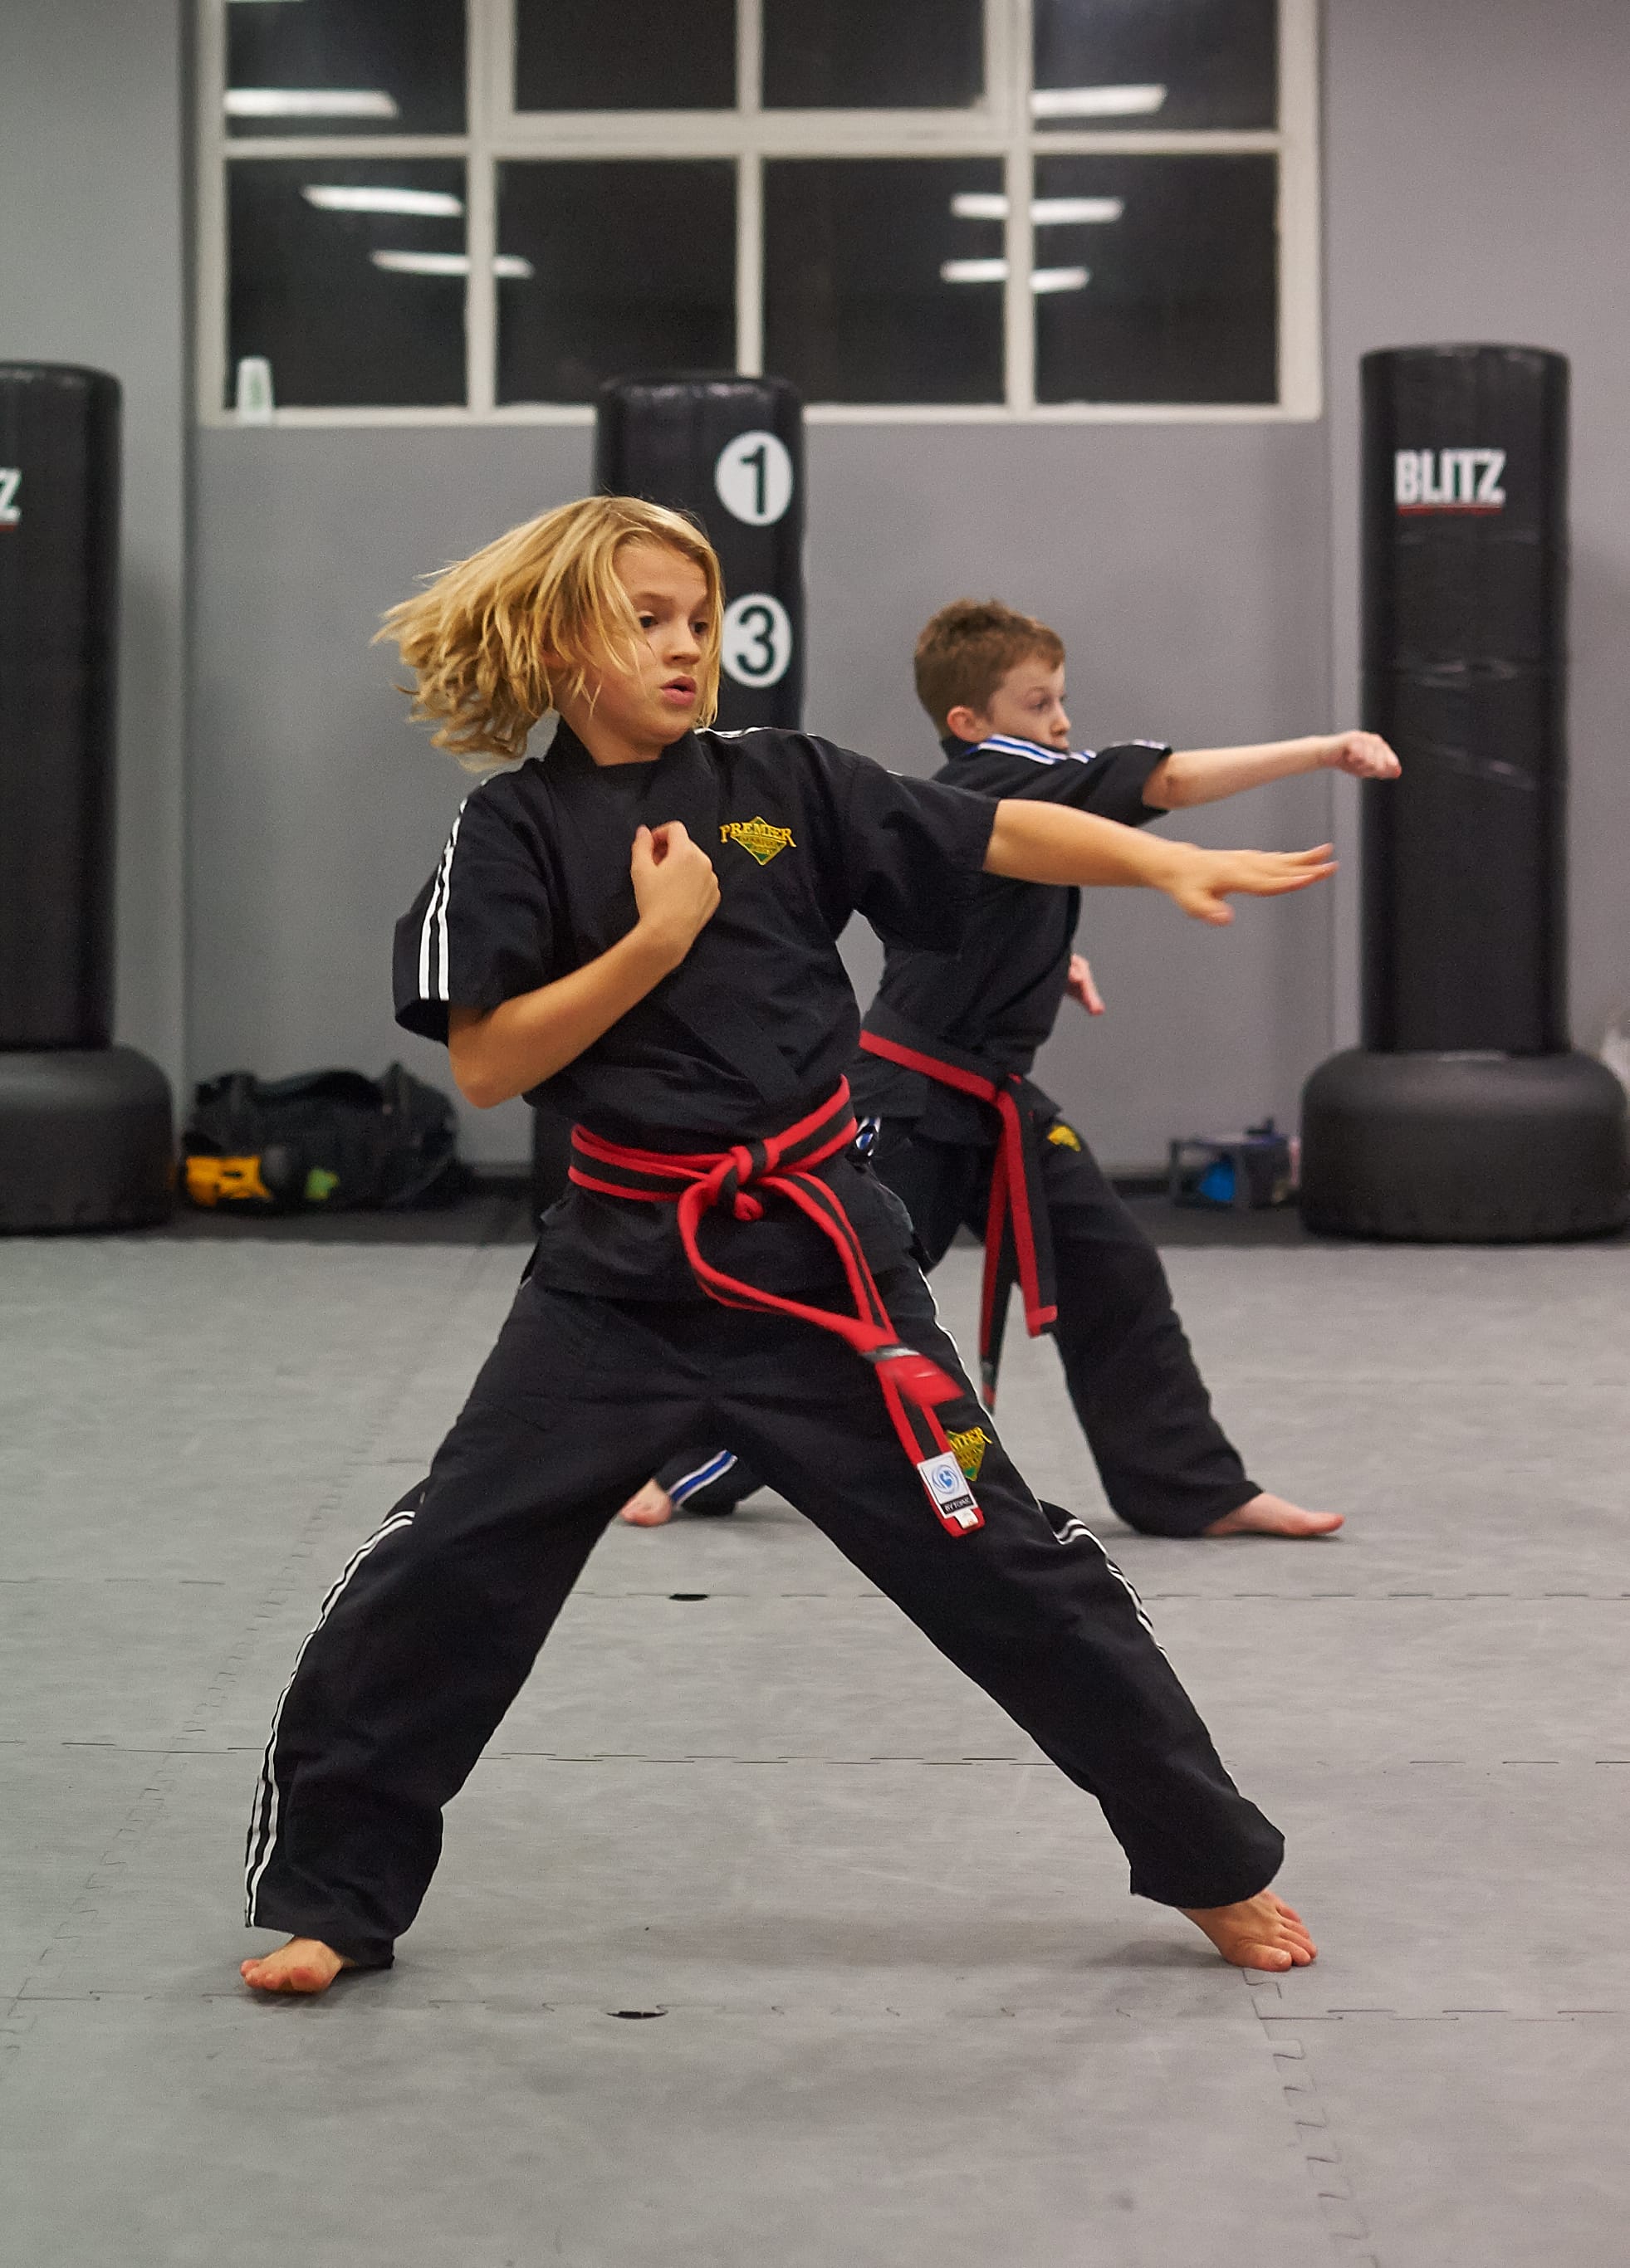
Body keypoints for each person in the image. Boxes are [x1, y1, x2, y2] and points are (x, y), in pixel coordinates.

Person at [240, 500, 1329, 1997]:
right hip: (614, 1286)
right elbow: (486, 1063)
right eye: (645, 619)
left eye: (698, 617)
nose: (686, 645)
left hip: (826, 1277)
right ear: (557, 644)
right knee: (441, 1571)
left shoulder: (784, 782)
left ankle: (1208, 1862)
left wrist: (1160, 869)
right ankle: (338, 1899)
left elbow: (993, 829)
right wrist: (652, 940)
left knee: (1010, 1566)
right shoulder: (513, 828)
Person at [621, 598, 1399, 1541]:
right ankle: (679, 1459)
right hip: (909, 1102)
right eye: (1038, 703)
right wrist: (1321, 748)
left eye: (1061, 701)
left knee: (1110, 1267)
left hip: (993, 1099)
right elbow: (1169, 779)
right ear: (970, 720)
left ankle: (1189, 1486)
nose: (1060, 722)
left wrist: (1041, 965)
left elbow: (949, 924)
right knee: (833, 1288)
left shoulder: (980, 803)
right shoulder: (1002, 774)